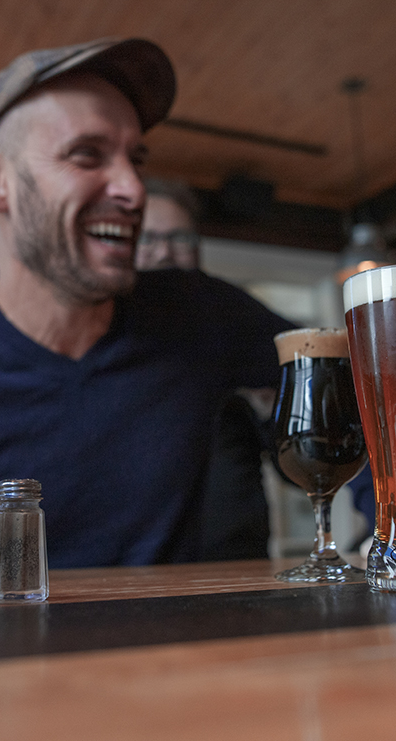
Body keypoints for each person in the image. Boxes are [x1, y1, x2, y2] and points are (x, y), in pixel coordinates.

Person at [0, 38, 293, 574]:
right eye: (87, 155)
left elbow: (357, 387)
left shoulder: (198, 313)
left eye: (135, 159)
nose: (134, 189)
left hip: (179, 654)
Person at [134, 178, 274, 561]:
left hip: (234, 556)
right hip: (130, 568)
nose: (163, 252)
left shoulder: (236, 316)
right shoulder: (98, 323)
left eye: (178, 238)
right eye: (146, 238)